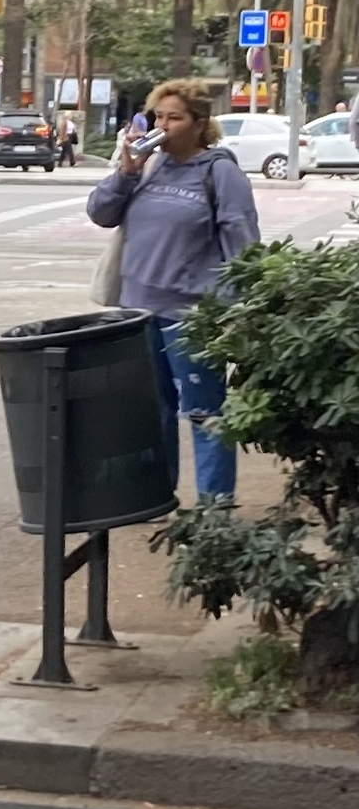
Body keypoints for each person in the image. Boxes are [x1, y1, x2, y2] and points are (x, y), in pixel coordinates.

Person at [86, 78, 257, 500]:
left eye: (174, 118)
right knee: (151, 413)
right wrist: (124, 172)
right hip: (137, 311)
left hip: (192, 318)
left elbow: (244, 249)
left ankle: (214, 508)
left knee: (205, 414)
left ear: (200, 124)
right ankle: (156, 496)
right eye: (158, 116)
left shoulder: (220, 173)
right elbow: (101, 214)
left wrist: (238, 313)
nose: (162, 125)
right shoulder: (146, 165)